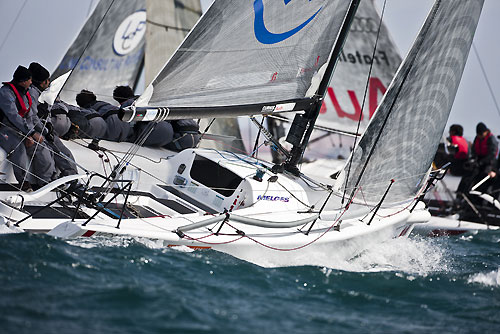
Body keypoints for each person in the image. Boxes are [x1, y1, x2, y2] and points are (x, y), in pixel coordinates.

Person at [0, 66, 55, 191]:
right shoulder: (5, 93)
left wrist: (41, 132)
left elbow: (30, 117)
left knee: (42, 147)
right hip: (4, 129)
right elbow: (13, 116)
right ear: (23, 81)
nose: (31, 82)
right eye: (29, 80)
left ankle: (45, 181)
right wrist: (31, 133)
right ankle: (23, 182)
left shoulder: (25, 93)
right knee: (18, 148)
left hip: (20, 129)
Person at [28, 62, 78, 177]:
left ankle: (71, 177)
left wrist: (49, 125)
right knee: (59, 152)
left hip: (43, 129)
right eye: (47, 80)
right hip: (36, 131)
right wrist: (45, 130)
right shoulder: (32, 94)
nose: (49, 83)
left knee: (64, 153)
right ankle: (67, 179)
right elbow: (32, 117)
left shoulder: (40, 93)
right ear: (42, 82)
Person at [457, 122, 498, 197]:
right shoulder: (477, 138)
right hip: (478, 160)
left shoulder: (491, 139)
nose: (479, 136)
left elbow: (492, 155)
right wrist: (473, 160)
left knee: (482, 177)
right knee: (468, 174)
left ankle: (477, 198)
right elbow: (474, 151)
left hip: (488, 163)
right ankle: (461, 194)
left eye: (481, 134)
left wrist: (481, 162)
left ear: (485, 132)